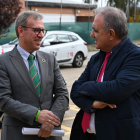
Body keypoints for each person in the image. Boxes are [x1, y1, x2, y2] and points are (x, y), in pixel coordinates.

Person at [70, 6, 140, 140]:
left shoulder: (135, 56)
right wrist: (91, 104)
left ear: (111, 34)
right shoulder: (96, 58)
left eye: (95, 30)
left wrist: (84, 87)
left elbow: (115, 90)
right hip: (87, 135)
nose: (91, 34)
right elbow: (74, 91)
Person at [0, 10, 69, 140]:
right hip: (18, 134)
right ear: (21, 31)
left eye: (43, 31)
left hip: (50, 133)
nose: (41, 35)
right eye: (37, 30)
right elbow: (3, 99)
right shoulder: (3, 61)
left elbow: (62, 94)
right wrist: (36, 115)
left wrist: (51, 121)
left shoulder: (50, 59)